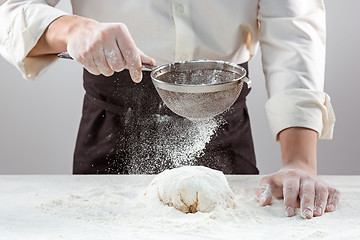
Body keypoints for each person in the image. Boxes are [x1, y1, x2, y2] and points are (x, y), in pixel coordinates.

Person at [0, 0, 339, 219]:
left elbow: (293, 24)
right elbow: (10, 8)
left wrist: (299, 160)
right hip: (112, 124)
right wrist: (71, 28)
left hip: (222, 119)